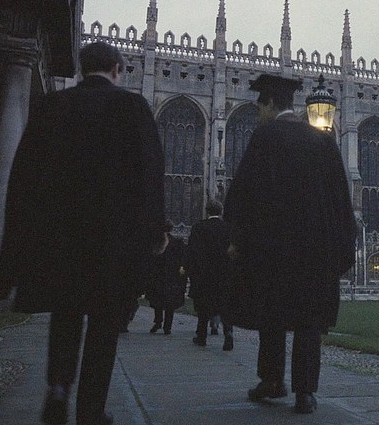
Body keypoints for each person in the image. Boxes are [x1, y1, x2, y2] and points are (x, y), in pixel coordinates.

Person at [0, 41, 166, 425]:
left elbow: (23, 177)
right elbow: (151, 176)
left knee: (65, 314)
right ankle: (91, 410)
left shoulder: (53, 105)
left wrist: (16, 248)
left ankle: (57, 389)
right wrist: (155, 231)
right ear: (118, 70)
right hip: (112, 242)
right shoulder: (133, 107)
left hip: (61, 238)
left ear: (81, 68)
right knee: (104, 324)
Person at [224, 73, 356, 414]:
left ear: (269, 103)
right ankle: (305, 393)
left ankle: (272, 380)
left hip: (274, 249)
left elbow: (243, 193)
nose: (259, 114)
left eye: (260, 107)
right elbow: (342, 201)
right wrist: (343, 250)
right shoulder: (322, 141)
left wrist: (238, 238)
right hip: (316, 252)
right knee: (308, 322)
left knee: (273, 317)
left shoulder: (265, 137)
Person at [186, 199, 233, 349]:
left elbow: (192, 251)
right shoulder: (228, 228)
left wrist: (192, 271)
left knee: (203, 307)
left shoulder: (199, 227)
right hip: (223, 274)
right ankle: (228, 332)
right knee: (224, 305)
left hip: (204, 274)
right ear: (221, 211)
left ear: (207, 211)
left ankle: (201, 337)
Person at [147, 222, 187, 335]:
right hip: (172, 275)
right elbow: (182, 258)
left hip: (159, 275)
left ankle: (158, 321)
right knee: (170, 303)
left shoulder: (158, 242)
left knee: (158, 300)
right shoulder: (177, 242)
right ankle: (167, 326)